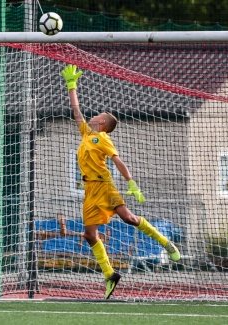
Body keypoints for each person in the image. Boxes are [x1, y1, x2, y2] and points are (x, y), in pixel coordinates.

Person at [61, 64, 181, 299]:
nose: (93, 116)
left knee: (129, 218)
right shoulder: (87, 133)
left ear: (103, 123)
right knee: (89, 235)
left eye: (98, 116)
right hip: (89, 190)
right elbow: (76, 112)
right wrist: (71, 86)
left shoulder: (102, 139)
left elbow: (118, 161)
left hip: (104, 186)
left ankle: (166, 243)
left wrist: (131, 183)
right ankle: (109, 274)